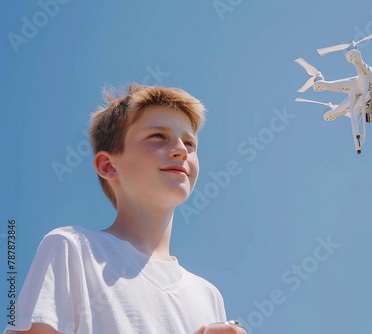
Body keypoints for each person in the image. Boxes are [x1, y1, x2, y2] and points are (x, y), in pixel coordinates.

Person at [4, 84, 246, 334]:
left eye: (189, 143)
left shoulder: (208, 296)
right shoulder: (72, 249)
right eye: (158, 137)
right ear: (108, 165)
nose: (181, 150)